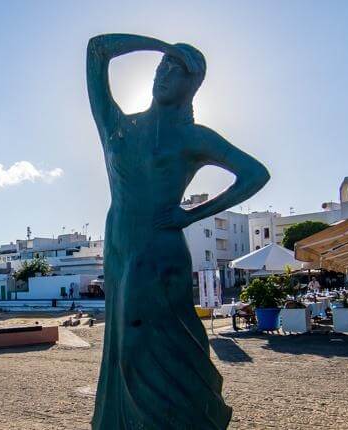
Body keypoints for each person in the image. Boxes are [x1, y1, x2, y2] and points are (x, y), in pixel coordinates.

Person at [86, 34, 269, 429]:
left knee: (145, 342)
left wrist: (193, 214)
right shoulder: (117, 126)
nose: (164, 73)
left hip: (158, 247)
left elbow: (255, 174)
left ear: (193, 85)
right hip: (119, 246)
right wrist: (161, 45)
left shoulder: (192, 137)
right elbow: (97, 49)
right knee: (121, 347)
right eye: (161, 67)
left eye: (176, 69)